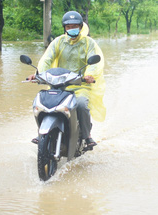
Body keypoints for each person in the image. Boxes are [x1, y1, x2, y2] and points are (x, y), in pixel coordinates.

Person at [28, 10, 106, 149]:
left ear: (81, 27)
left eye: (75, 26)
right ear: (64, 28)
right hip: (59, 85)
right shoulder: (58, 42)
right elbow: (46, 59)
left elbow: (94, 63)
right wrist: (39, 74)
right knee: (42, 102)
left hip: (80, 85)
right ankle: (42, 133)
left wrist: (89, 76)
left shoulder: (89, 43)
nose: (72, 29)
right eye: (68, 26)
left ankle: (87, 136)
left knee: (81, 104)